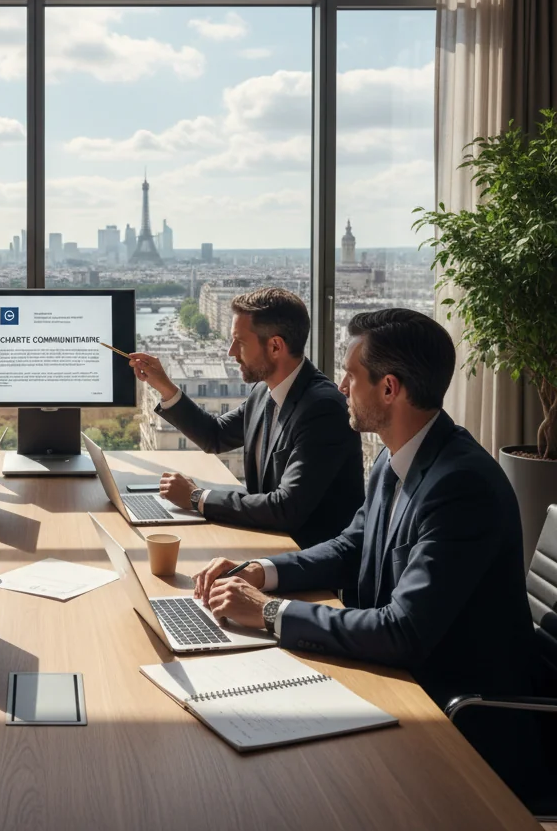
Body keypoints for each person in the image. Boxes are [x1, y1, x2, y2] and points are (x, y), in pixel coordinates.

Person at [194, 308, 540, 797]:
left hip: (458, 715)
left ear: (389, 389)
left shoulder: (461, 486)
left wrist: (269, 613)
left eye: (351, 376)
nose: (339, 386)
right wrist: (260, 572)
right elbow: (350, 546)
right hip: (400, 681)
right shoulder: (395, 455)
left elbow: (402, 631)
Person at [129, 287, 363, 548]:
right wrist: (164, 386)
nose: (231, 352)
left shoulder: (324, 409)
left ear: (276, 346)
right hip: (270, 544)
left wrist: (197, 497)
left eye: (239, 342)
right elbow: (215, 436)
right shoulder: (265, 391)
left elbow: (286, 507)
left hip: (309, 567)